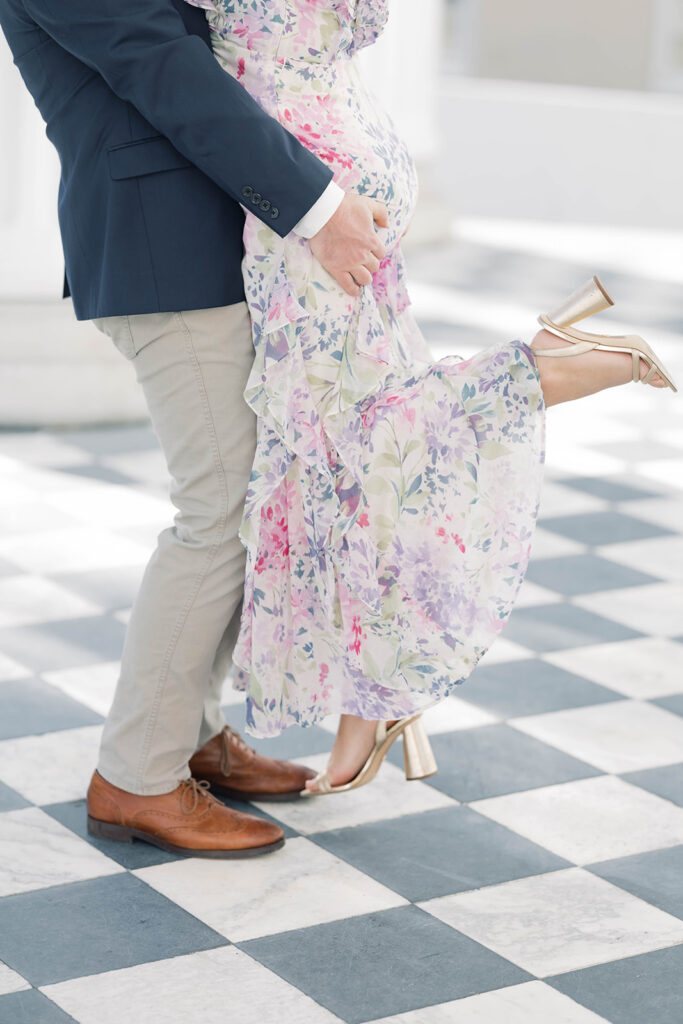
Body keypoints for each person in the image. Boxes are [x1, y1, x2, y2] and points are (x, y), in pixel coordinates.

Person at [175, 0, 676, 797]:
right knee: (337, 453)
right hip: (347, 141)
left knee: (352, 437)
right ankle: (364, 709)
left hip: (303, 179)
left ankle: (552, 366)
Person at [0, 0, 390, 858]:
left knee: (245, 501)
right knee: (218, 511)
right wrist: (318, 210)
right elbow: (164, 71)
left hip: (199, 239)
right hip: (159, 246)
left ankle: (194, 732)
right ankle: (137, 778)